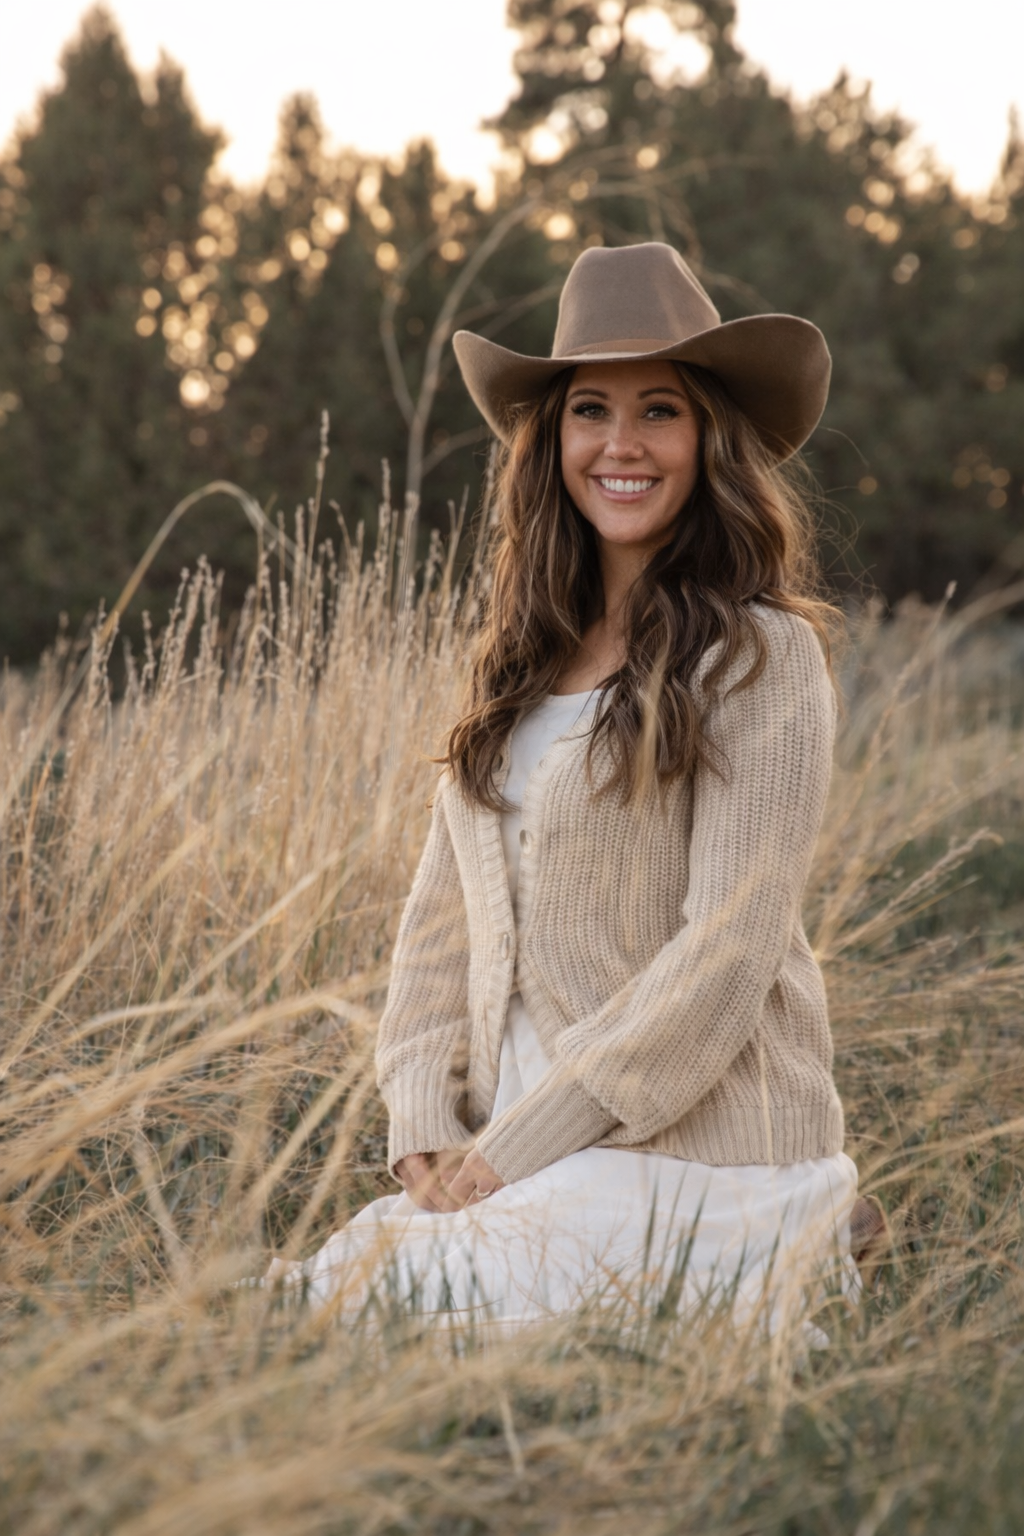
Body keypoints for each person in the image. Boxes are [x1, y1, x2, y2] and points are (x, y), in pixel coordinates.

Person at [277, 242, 860, 1331]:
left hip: (700, 1148)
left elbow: (727, 952)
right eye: (589, 409)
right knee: (322, 1298)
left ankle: (802, 1236)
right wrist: (422, 1129)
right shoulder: (515, 661)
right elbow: (436, 932)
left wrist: (509, 1154)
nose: (621, 445)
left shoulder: (757, 655)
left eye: (660, 411)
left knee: (398, 1309)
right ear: (551, 441)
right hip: (517, 1153)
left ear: (709, 438)